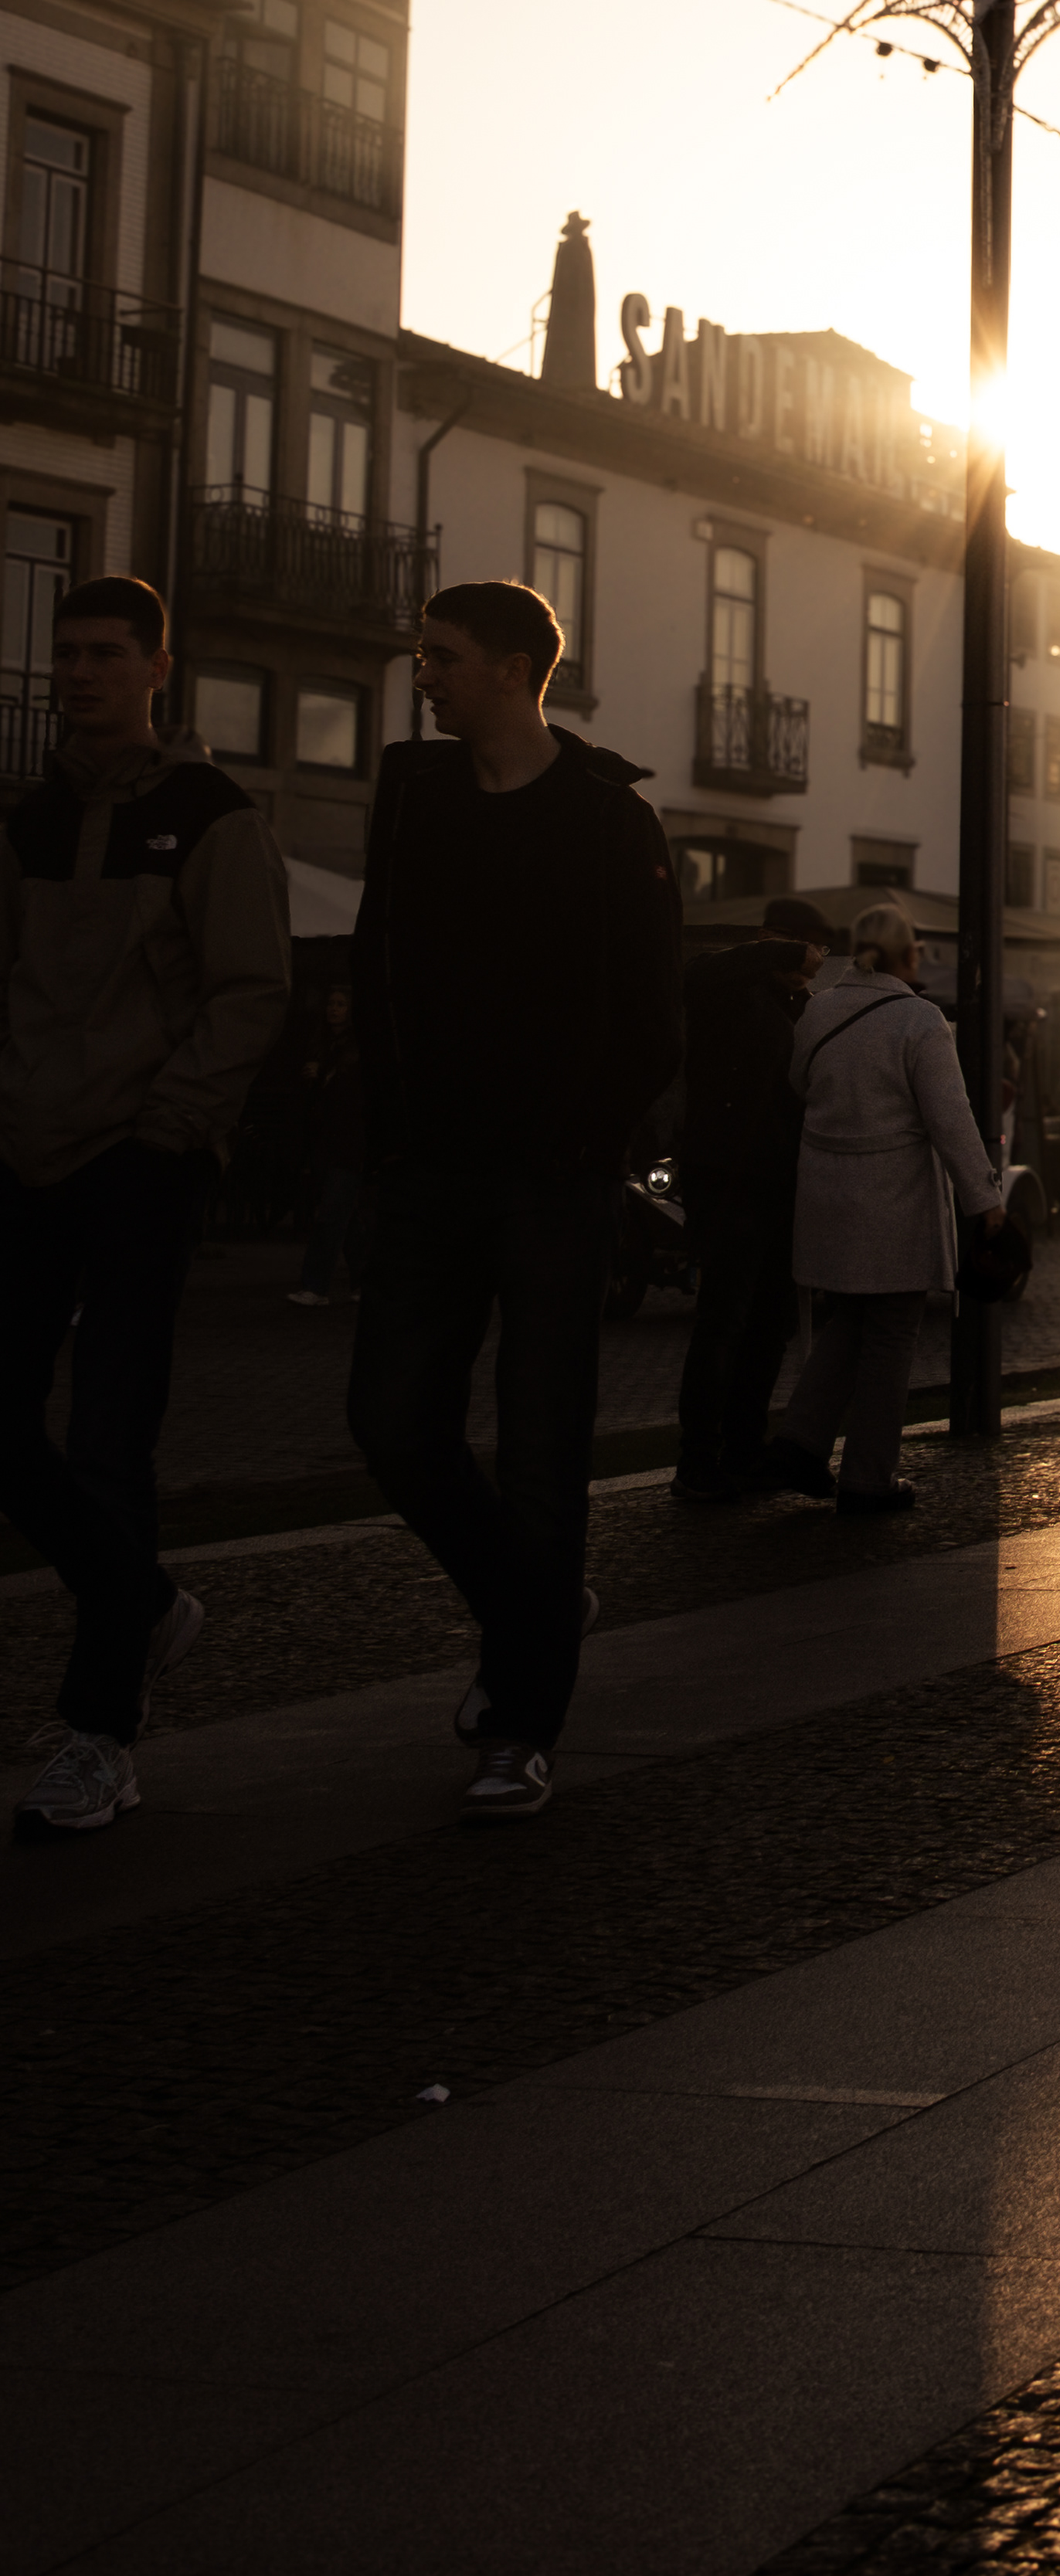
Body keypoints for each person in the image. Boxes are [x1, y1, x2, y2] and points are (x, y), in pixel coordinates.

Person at [348, 582, 682, 1819]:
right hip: (428, 1170)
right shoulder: (414, 795)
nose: (423, 674)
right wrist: (387, 1124)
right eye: (421, 655)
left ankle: (522, 1723)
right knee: (391, 1422)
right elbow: (379, 962)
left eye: (441, 657)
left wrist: (581, 1144)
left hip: (550, 1184)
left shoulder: (608, 819)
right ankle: (530, 1606)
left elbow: (652, 1015)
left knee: (544, 1449)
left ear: (508, 669)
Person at [1, 575, 293, 1838]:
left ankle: (99, 1733)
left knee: (113, 1437)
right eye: (66, 653)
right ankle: (144, 1600)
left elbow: (250, 989)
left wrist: (174, 1124)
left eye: (106, 654)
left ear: (157, 670)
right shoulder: (30, 820)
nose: (80, 673)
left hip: (139, 1156)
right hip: (24, 1152)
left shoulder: (209, 817)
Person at [766, 900, 1001, 1515]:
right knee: (892, 1334)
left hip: (827, 1194)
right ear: (904, 953)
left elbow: (797, 1085)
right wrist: (985, 1198)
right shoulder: (919, 1021)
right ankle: (869, 1476)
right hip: (892, 1201)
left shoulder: (817, 1012)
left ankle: (800, 1441)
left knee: (849, 1320)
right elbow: (952, 1121)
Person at [671, 896, 832, 1502]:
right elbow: (694, 975)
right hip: (728, 1176)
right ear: (772, 942)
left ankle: (744, 1447)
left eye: (820, 951)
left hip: (781, 1181)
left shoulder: (804, 1011)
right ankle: (698, 1460)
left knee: (770, 1324)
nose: (813, 963)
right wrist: (777, 952)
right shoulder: (728, 989)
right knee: (724, 1319)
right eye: (806, 948)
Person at [285, 977, 369, 1306]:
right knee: (346, 1216)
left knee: (332, 1214)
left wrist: (321, 1077)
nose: (333, 1010)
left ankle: (315, 1285)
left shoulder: (356, 1050)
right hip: (326, 1138)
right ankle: (364, 1281)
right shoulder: (323, 1045)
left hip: (349, 1139)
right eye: (331, 1004)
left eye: (340, 1005)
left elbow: (352, 1094)